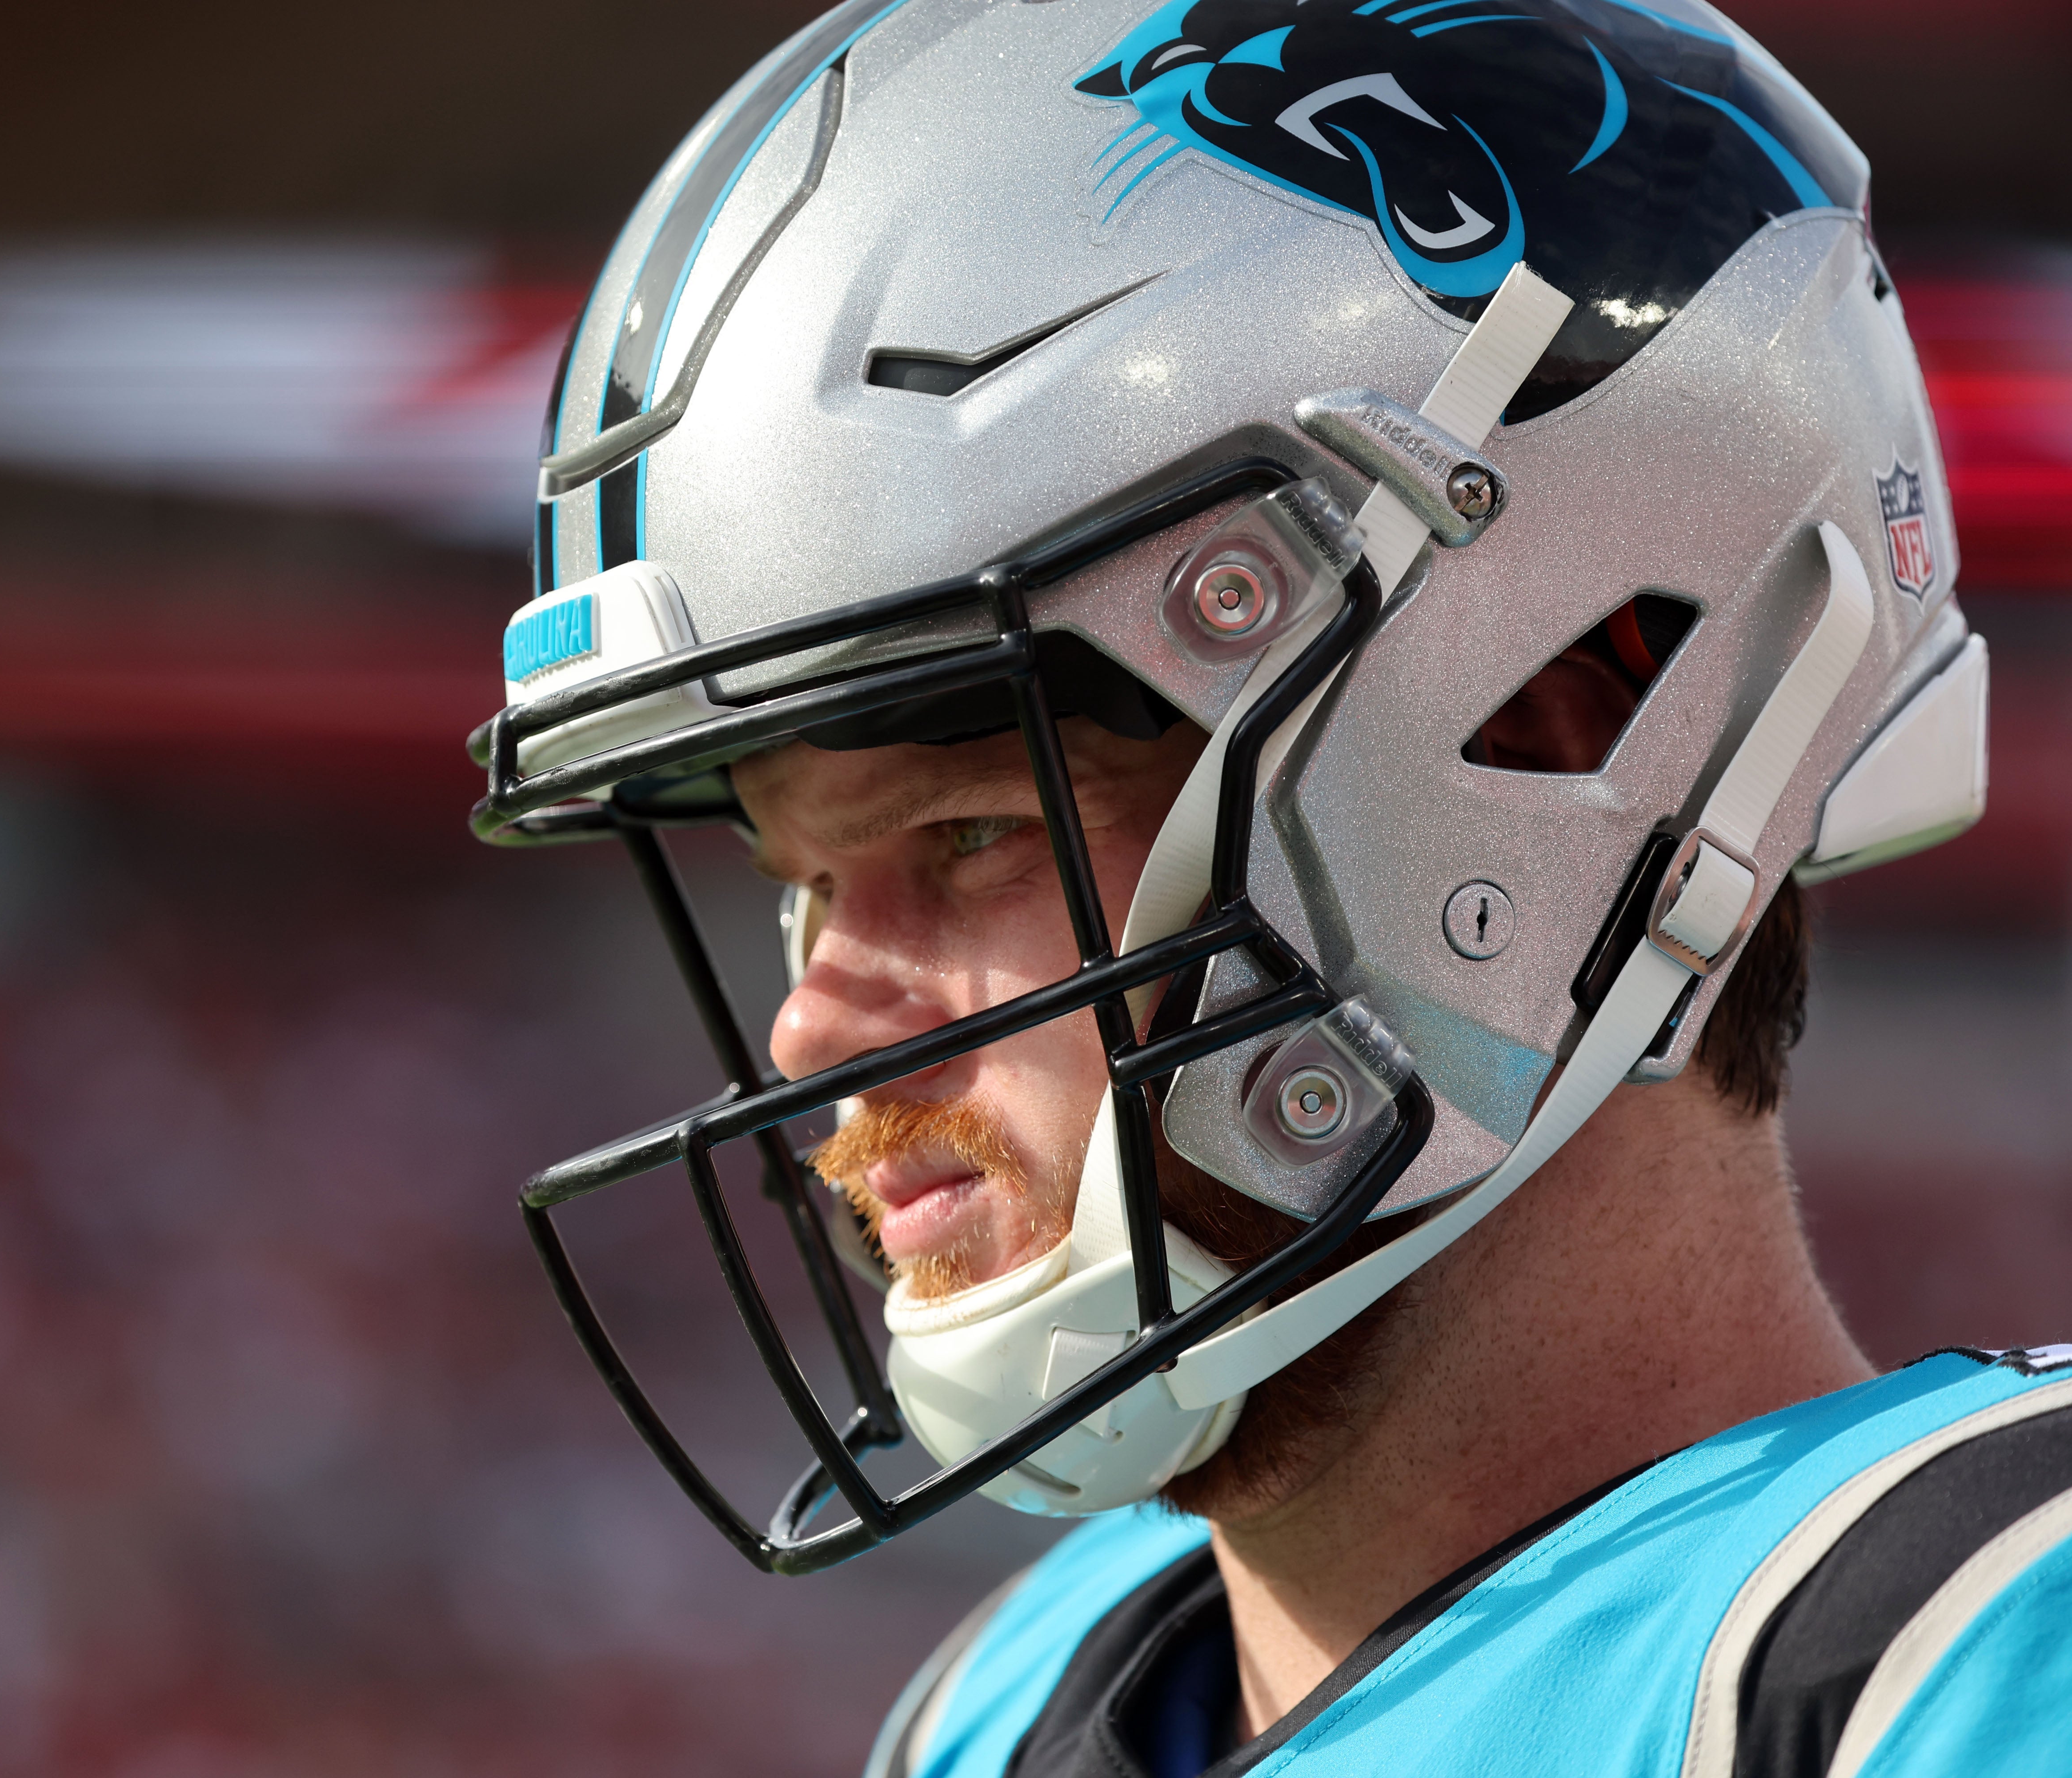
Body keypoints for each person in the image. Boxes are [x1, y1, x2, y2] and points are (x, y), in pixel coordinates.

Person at [472, 1, 2069, 1773]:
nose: (807, 1024)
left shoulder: (1973, 1656)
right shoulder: (1004, 1708)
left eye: (968, 834)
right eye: (801, 881)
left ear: (1544, 732)